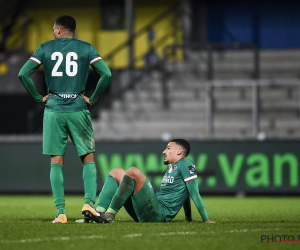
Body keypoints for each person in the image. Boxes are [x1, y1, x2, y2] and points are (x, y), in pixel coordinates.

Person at [18, 15, 112, 223]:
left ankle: (61, 213)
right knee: (87, 158)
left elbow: (23, 74)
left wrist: (38, 98)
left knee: (56, 161)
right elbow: (106, 74)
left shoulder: (45, 48)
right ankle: (89, 203)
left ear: (58, 30)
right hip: (78, 108)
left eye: (54, 29)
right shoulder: (86, 48)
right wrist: (93, 99)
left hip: (54, 110)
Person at [84, 139, 215, 223]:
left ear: (179, 151)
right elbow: (185, 192)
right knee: (117, 172)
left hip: (158, 214)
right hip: (150, 209)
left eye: (168, 148)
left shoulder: (186, 163)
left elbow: (193, 193)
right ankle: (98, 213)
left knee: (133, 172)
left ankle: (109, 215)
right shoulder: (173, 167)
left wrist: (206, 220)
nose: (164, 151)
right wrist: (188, 217)